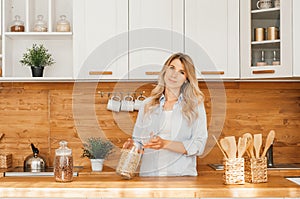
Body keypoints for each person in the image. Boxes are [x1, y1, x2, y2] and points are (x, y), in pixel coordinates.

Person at [123, 53, 208, 176]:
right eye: (172, 68)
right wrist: (133, 146)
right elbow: (139, 141)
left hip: (181, 178)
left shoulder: (195, 106)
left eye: (182, 72)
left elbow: (199, 146)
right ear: (165, 70)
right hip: (149, 177)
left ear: (186, 79)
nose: (174, 74)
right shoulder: (147, 104)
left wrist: (165, 144)